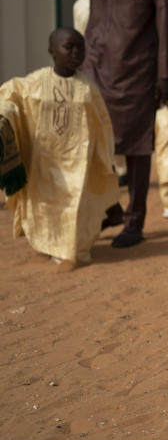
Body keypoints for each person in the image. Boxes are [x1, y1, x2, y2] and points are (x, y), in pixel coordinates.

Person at [84, 0, 168, 248]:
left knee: (138, 147)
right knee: (96, 142)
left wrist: (166, 73)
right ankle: (108, 209)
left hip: (138, 68)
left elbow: (166, 14)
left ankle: (134, 221)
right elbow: (94, 13)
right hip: (97, 67)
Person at [0, 29, 121, 265]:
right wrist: (4, 115)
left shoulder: (87, 88)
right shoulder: (34, 82)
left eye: (80, 48)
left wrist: (105, 159)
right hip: (43, 162)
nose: (76, 52)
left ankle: (70, 250)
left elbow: (102, 124)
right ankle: (52, 244)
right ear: (52, 52)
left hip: (79, 164)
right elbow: (9, 98)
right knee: (45, 208)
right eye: (69, 47)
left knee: (76, 206)